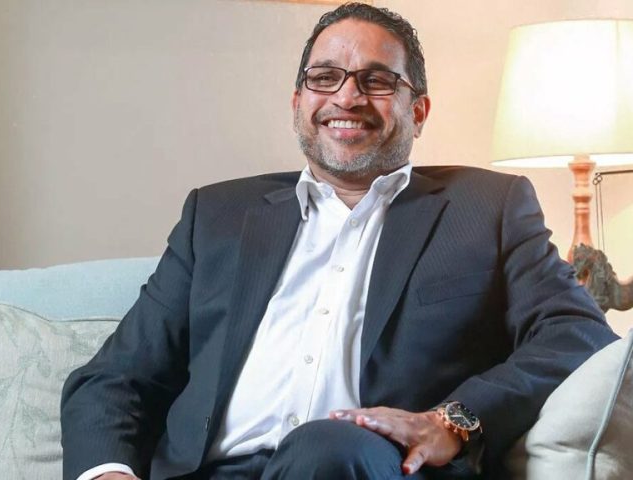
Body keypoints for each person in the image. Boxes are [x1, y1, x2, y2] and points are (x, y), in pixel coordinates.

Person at [61, 4, 618, 479]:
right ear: (297, 102)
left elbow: (576, 332)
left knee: (325, 447)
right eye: (324, 77)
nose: (347, 97)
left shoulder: (485, 208)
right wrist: (109, 472)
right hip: (208, 470)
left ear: (418, 111)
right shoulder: (219, 215)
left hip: (362, 464)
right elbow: (114, 377)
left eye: (377, 81)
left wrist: (452, 420)